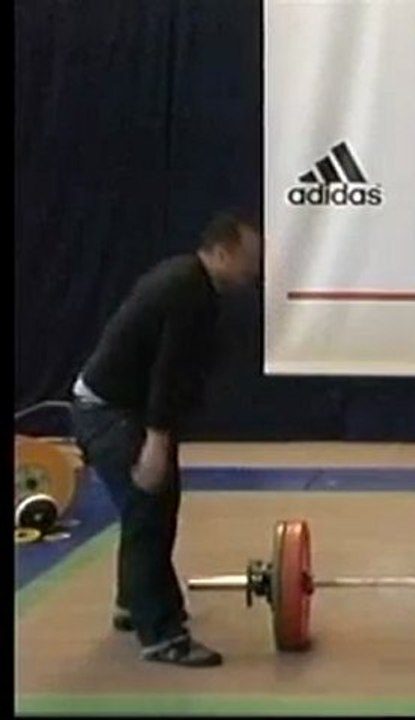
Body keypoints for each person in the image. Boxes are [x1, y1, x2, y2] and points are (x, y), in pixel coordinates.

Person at [70, 211, 262, 666]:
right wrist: (157, 443)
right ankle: (162, 636)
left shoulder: (190, 280)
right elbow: (167, 374)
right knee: (150, 512)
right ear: (221, 252)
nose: (255, 269)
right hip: (110, 414)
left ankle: (132, 605)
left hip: (111, 406)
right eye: (249, 258)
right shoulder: (187, 291)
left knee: (148, 511)